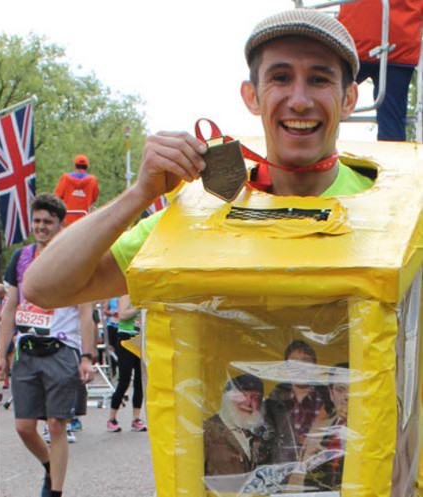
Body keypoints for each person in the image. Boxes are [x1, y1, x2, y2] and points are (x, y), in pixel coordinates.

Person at [21, 9, 373, 311]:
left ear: (349, 99)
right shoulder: (203, 211)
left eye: (319, 79)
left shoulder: (389, 210)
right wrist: (140, 193)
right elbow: (42, 288)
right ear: (252, 96)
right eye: (280, 78)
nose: (299, 101)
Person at [0, 193, 95, 497]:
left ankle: (55, 492)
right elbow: (10, 308)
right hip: (27, 349)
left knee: (56, 424)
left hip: (61, 349)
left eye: (48, 222)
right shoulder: (20, 258)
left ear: (60, 224)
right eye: (37, 221)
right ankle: (51, 466)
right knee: (24, 427)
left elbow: (85, 311)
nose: (41, 226)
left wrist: (87, 356)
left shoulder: (73, 259)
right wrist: (0, 355)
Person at [338, 0, 423, 141]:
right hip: (399, 43)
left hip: (355, 39)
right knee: (392, 125)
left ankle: (316, 149)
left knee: (327, 101)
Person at [264, 341, 330, 465]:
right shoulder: (272, 403)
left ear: (314, 366)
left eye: (305, 360)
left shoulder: (329, 400)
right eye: (294, 361)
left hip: (319, 468)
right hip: (281, 470)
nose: (300, 367)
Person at [289, 362, 349, 491]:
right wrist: (308, 466)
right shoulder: (318, 430)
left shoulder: (374, 429)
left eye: (353, 389)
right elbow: (295, 483)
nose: (347, 396)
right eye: (340, 389)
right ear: (331, 394)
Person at [204, 374, 268, 477]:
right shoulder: (206, 432)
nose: (248, 403)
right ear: (226, 398)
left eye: (255, 398)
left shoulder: (261, 436)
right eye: (241, 396)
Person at [106, 294, 147, 433]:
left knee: (140, 381)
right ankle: (112, 418)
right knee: (124, 380)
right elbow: (122, 315)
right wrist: (139, 309)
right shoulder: (127, 294)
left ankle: (136, 418)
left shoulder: (145, 293)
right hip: (126, 338)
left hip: (140, 337)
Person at [54, 154, 99, 226]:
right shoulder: (92, 180)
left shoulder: (65, 178)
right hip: (85, 220)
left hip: (66, 221)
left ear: (75, 166)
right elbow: (94, 198)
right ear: (86, 167)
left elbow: (57, 196)